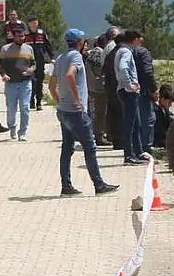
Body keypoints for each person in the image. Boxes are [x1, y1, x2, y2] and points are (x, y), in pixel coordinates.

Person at [49, 29, 120, 197]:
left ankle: (66, 186)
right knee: (90, 147)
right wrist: (77, 100)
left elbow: (52, 85)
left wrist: (60, 101)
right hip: (76, 112)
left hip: (64, 110)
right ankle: (98, 184)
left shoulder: (60, 58)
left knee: (67, 149)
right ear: (79, 42)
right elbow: (69, 76)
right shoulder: (76, 57)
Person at [114, 30, 146, 165]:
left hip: (126, 91)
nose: (141, 42)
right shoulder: (126, 52)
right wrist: (129, 85)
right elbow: (123, 68)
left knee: (136, 123)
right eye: (139, 39)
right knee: (130, 124)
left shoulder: (122, 51)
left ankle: (138, 152)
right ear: (134, 40)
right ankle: (128, 155)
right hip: (128, 92)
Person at [0, 26, 36, 141]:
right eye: (18, 37)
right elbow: (1, 66)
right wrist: (4, 75)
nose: (21, 39)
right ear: (13, 37)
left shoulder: (29, 49)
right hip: (11, 84)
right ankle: (12, 128)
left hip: (25, 82)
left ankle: (23, 132)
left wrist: (31, 70)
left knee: (25, 108)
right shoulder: (5, 49)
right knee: (11, 109)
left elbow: (34, 64)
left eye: (22, 36)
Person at [132, 35, 158, 155]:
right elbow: (148, 72)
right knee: (149, 118)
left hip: (132, 89)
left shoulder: (129, 52)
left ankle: (136, 146)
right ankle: (146, 147)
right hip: (144, 90)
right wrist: (153, 89)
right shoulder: (143, 52)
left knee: (136, 119)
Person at [24, 14, 55, 111]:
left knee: (39, 82)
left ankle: (38, 102)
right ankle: (31, 100)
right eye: (31, 23)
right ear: (28, 24)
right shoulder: (25, 35)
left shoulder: (42, 34)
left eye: (35, 23)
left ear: (37, 23)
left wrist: (52, 57)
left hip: (40, 60)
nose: (33, 25)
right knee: (31, 81)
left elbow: (47, 46)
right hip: (28, 61)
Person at [85, 34, 112, 146]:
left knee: (97, 112)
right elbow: (98, 72)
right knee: (100, 113)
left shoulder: (91, 53)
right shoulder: (99, 53)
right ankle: (99, 136)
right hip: (99, 88)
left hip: (92, 87)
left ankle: (99, 134)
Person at [101, 27, 123, 150]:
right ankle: (119, 140)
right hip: (116, 85)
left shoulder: (107, 48)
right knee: (118, 114)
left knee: (112, 113)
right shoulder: (114, 49)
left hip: (109, 85)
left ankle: (113, 138)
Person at [153, 84, 174, 150]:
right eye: (169, 102)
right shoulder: (155, 111)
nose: (170, 105)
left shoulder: (166, 110)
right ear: (162, 99)